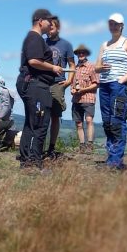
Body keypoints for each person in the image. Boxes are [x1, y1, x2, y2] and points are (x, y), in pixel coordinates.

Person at [16, 9, 64, 169]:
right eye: (49, 21)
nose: (51, 24)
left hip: (35, 85)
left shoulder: (35, 38)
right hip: (36, 86)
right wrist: (53, 68)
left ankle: (27, 159)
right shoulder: (35, 38)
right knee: (39, 124)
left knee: (32, 123)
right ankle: (32, 162)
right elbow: (34, 61)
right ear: (40, 21)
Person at [95, 13, 127, 170]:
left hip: (118, 86)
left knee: (117, 122)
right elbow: (96, 67)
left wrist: (122, 80)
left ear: (122, 26)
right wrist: (101, 68)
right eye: (111, 24)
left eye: (116, 24)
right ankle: (111, 158)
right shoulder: (104, 44)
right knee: (107, 122)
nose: (113, 26)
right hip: (104, 85)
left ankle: (115, 162)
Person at [45, 16, 75, 159]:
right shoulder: (41, 43)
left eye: (52, 27)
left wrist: (69, 81)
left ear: (58, 28)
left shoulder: (66, 45)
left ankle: (51, 147)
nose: (49, 29)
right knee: (41, 115)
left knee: (55, 116)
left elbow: (72, 65)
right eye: (47, 26)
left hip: (58, 83)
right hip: (43, 82)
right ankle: (40, 145)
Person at [71, 44, 99, 154]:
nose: (81, 54)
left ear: (86, 54)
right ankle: (82, 146)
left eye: (83, 52)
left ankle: (90, 145)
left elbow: (96, 84)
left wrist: (83, 89)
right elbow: (72, 85)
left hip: (88, 98)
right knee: (78, 123)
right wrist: (73, 90)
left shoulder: (92, 67)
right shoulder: (75, 68)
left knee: (89, 120)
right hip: (76, 99)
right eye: (79, 53)